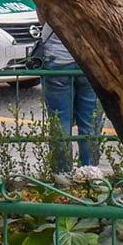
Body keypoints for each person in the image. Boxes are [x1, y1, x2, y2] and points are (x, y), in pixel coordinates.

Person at [33, 19, 106, 178]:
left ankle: (62, 173)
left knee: (60, 121)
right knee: (90, 121)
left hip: (57, 61)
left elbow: (42, 16)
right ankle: (90, 172)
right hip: (89, 61)